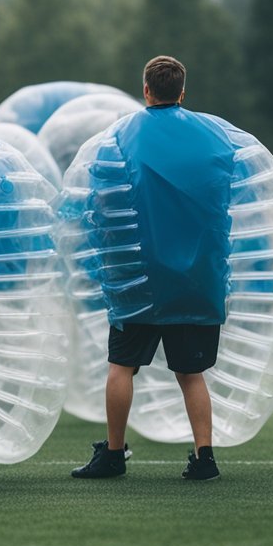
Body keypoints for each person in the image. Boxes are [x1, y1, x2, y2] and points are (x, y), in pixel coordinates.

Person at [70, 55, 233, 482]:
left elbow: (98, 204)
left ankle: (114, 453)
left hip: (136, 280)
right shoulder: (214, 136)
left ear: (146, 90)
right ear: (182, 91)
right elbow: (224, 199)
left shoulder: (120, 138)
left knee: (121, 367)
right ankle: (204, 457)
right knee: (190, 373)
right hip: (196, 280)